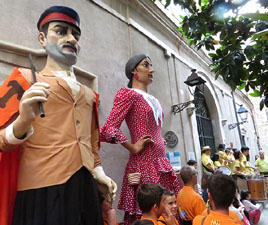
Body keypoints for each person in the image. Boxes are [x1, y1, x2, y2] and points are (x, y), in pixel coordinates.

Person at [0, 6, 117, 225]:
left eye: (76, 35)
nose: (71, 39)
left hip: (86, 191)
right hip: (41, 193)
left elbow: (92, 145)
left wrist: (99, 174)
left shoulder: (90, 95)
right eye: (61, 31)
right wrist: (23, 121)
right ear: (42, 38)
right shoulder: (23, 80)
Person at [100, 54, 180, 224]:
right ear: (134, 71)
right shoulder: (128, 94)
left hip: (161, 163)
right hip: (144, 163)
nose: (151, 70)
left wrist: (160, 140)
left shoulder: (154, 100)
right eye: (146, 65)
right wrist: (132, 147)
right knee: (150, 212)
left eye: (150, 65)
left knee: (168, 210)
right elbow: (109, 128)